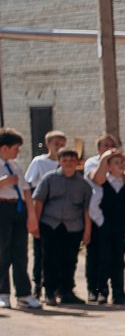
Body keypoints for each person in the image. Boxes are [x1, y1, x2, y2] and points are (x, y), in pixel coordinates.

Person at [31, 147, 91, 306]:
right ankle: (49, 291)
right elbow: (39, 201)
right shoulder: (49, 179)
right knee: (50, 259)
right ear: (59, 162)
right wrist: (34, 223)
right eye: (65, 160)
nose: (68, 164)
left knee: (69, 260)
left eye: (72, 160)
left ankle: (66, 291)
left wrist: (87, 231)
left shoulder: (83, 184)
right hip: (51, 224)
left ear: (77, 162)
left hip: (73, 226)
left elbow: (86, 209)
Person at [85, 136, 125, 304]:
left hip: (119, 227)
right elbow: (94, 206)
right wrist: (102, 223)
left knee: (119, 260)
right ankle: (101, 291)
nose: (120, 166)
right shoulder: (102, 182)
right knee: (103, 259)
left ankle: (118, 291)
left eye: (121, 163)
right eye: (116, 163)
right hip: (104, 227)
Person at [24, 129, 67, 303]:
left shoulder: (67, 163)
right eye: (56, 144)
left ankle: (57, 286)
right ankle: (37, 286)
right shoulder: (39, 162)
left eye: (62, 144)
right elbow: (29, 184)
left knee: (59, 252)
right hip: (43, 208)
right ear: (48, 144)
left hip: (62, 213)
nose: (59, 147)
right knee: (40, 251)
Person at [0, 128, 31, 309]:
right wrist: (3, 182)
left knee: (20, 251)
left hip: (18, 208)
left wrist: (31, 215)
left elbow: (26, 189)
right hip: (2, 207)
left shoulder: (15, 165)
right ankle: (3, 292)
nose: (17, 151)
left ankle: (24, 293)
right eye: (15, 148)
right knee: (3, 251)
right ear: (5, 147)